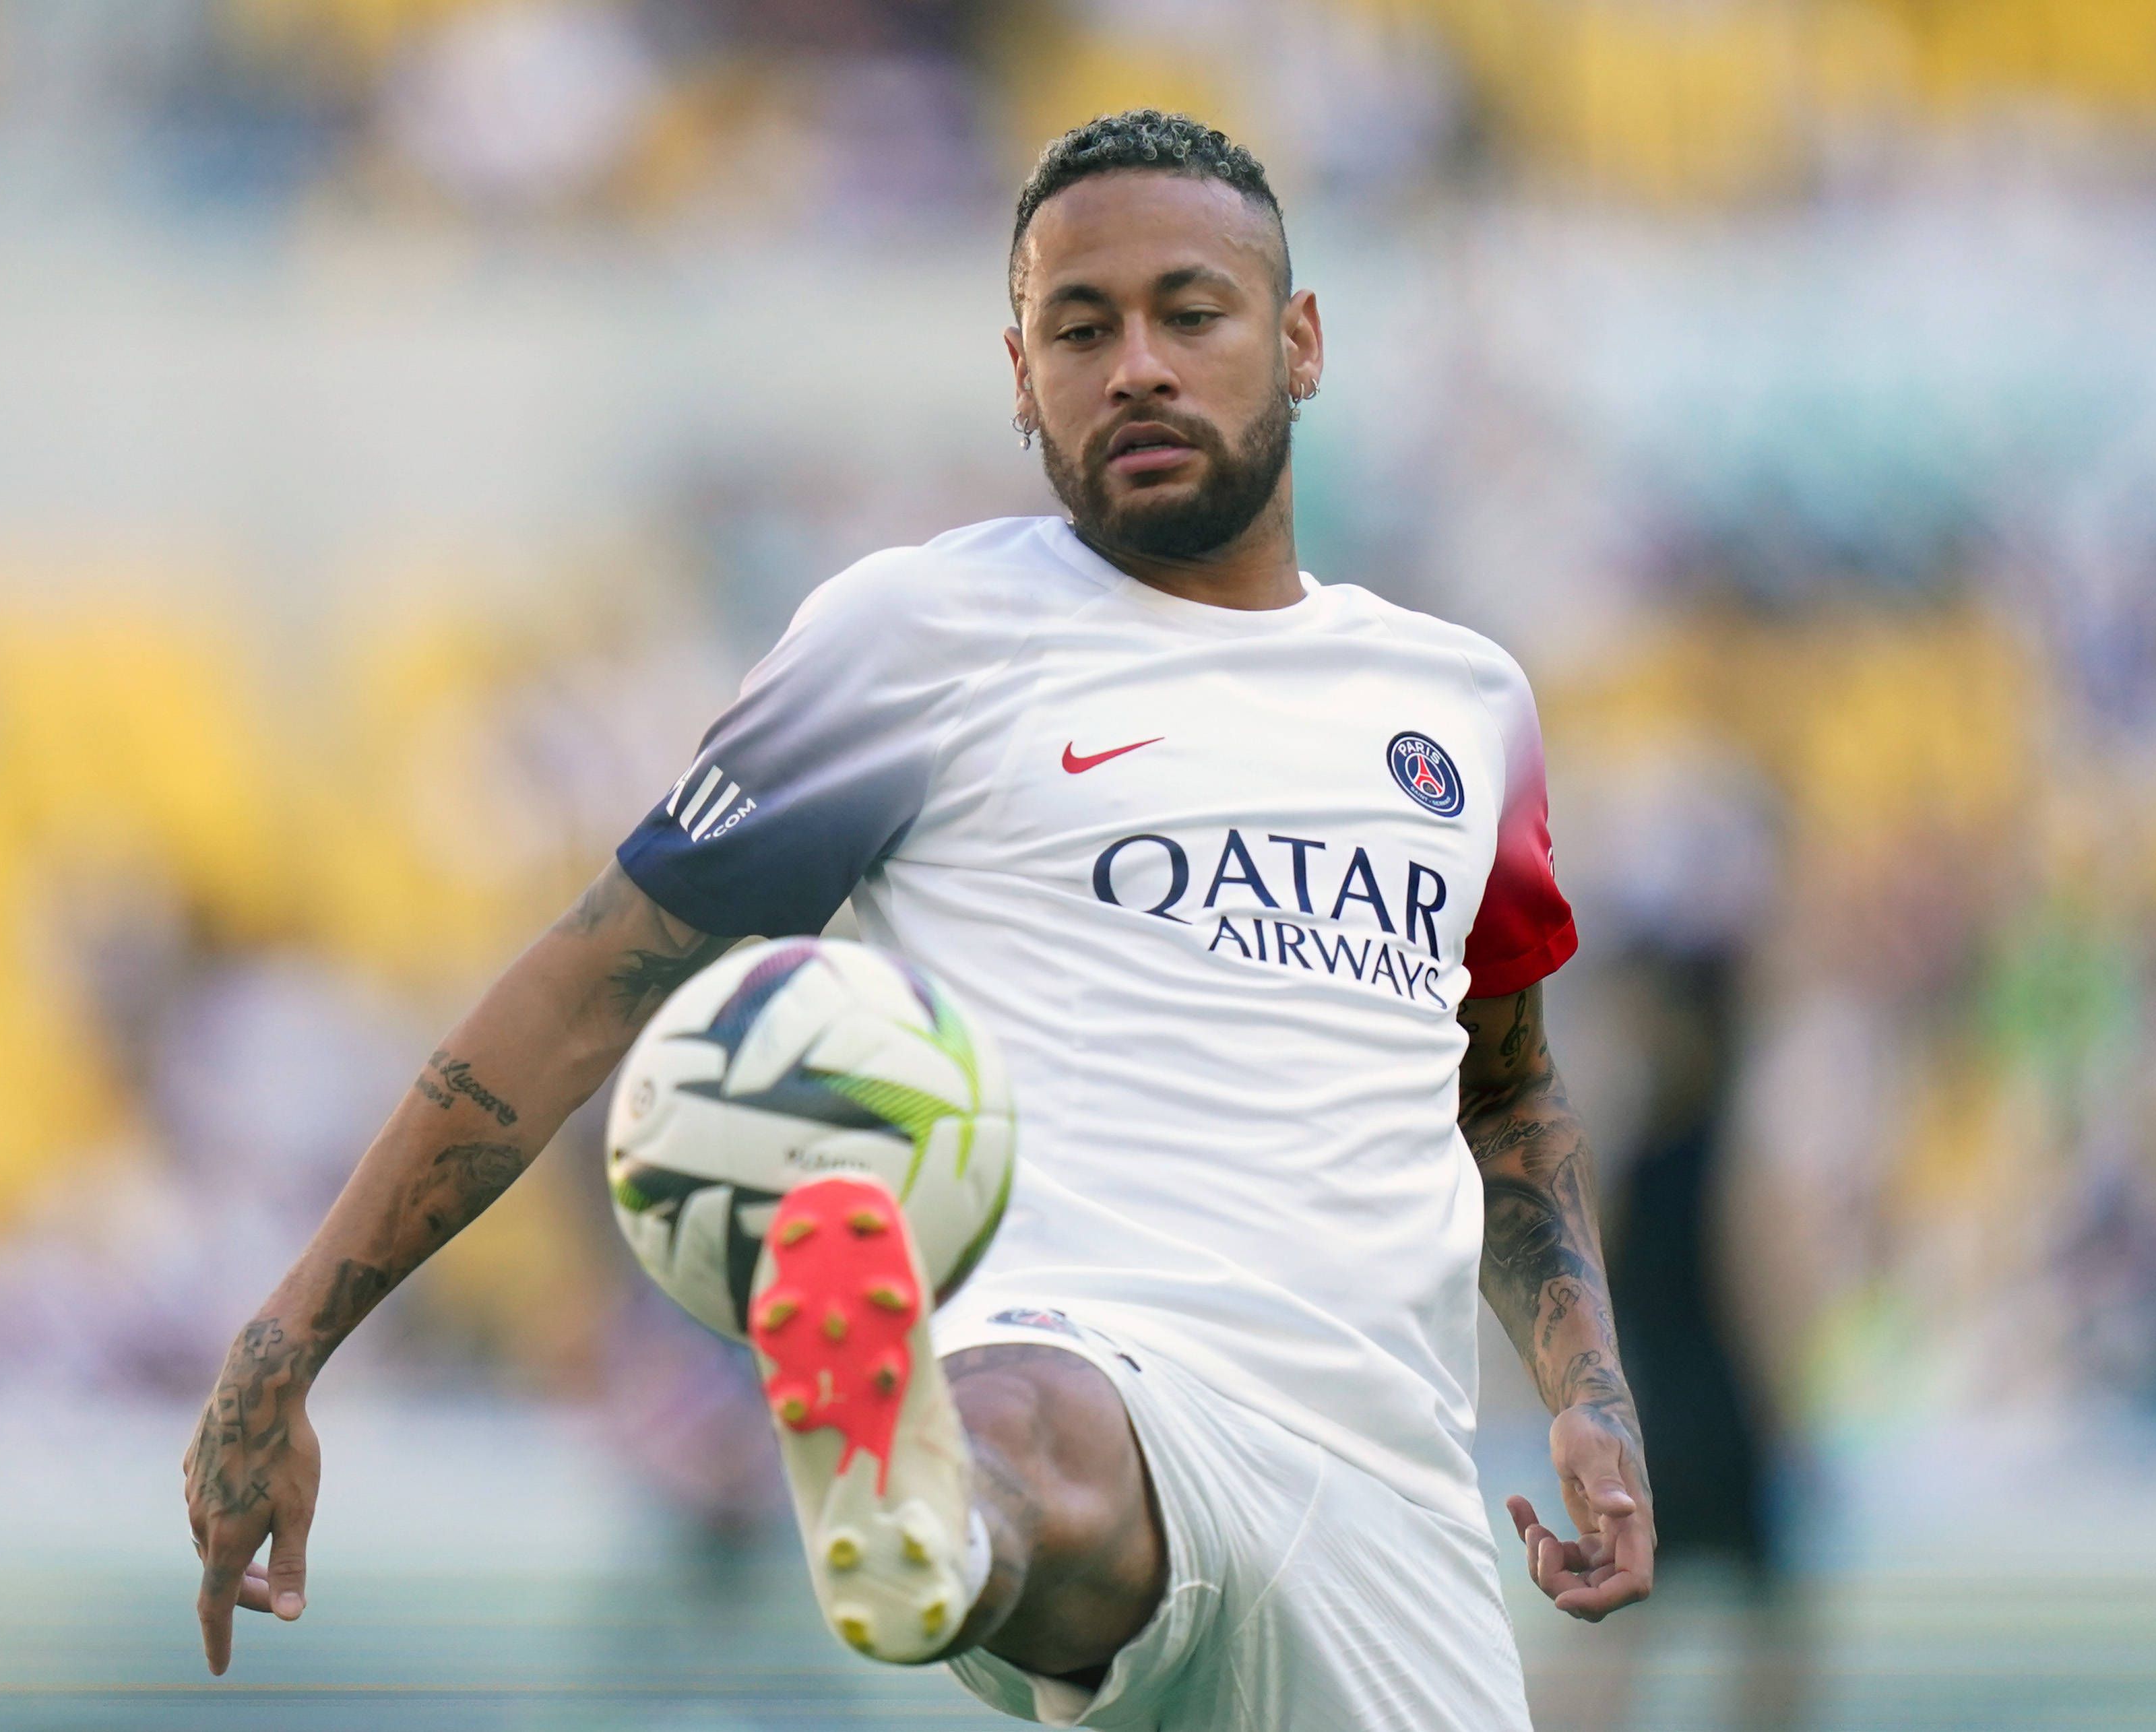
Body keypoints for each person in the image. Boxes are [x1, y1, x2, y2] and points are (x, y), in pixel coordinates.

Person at [184, 108, 1655, 1729]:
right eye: (1077, 328)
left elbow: (1501, 1084)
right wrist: (289, 1331)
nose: (1137, 366)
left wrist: (1585, 1389)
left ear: (1298, 341)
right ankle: (918, 1502)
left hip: (1397, 1493)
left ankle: (949, 1505)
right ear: (1019, 378)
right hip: (1095, 1386)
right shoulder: (925, 636)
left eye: (1191, 311)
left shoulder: (1463, 702)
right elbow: (590, 981)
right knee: (1028, 1422)